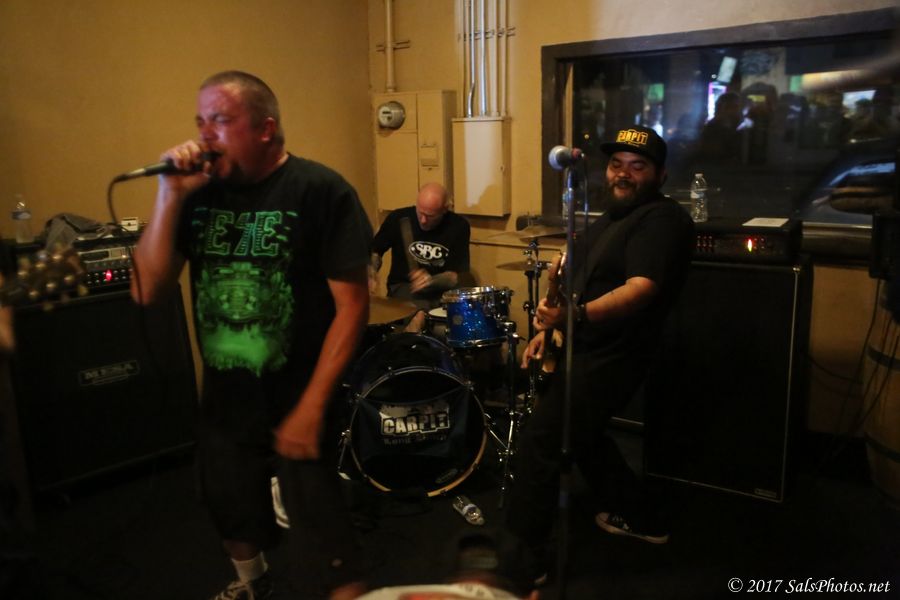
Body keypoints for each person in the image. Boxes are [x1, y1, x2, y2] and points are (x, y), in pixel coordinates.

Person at [130, 71, 372, 600]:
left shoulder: (320, 190)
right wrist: (169, 195)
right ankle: (252, 584)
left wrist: (312, 406)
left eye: (220, 120)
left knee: (324, 536)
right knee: (230, 508)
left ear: (265, 128)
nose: (204, 134)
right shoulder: (196, 195)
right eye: (200, 121)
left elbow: (353, 307)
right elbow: (147, 290)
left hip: (299, 396)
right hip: (225, 402)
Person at [504, 125, 695, 584]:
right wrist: (550, 332)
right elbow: (577, 286)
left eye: (637, 166)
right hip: (586, 348)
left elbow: (640, 288)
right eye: (616, 164)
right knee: (585, 439)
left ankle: (523, 562)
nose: (623, 173)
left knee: (541, 444)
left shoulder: (661, 219)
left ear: (660, 175)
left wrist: (573, 316)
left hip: (615, 356)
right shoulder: (609, 219)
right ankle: (643, 517)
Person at [370, 183, 470, 310]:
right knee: (419, 311)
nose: (423, 220)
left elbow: (455, 276)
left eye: (430, 216)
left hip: (441, 290)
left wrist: (430, 280)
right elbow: (375, 251)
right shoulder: (398, 218)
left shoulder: (459, 226)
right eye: (420, 212)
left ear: (445, 209)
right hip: (404, 287)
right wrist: (371, 273)